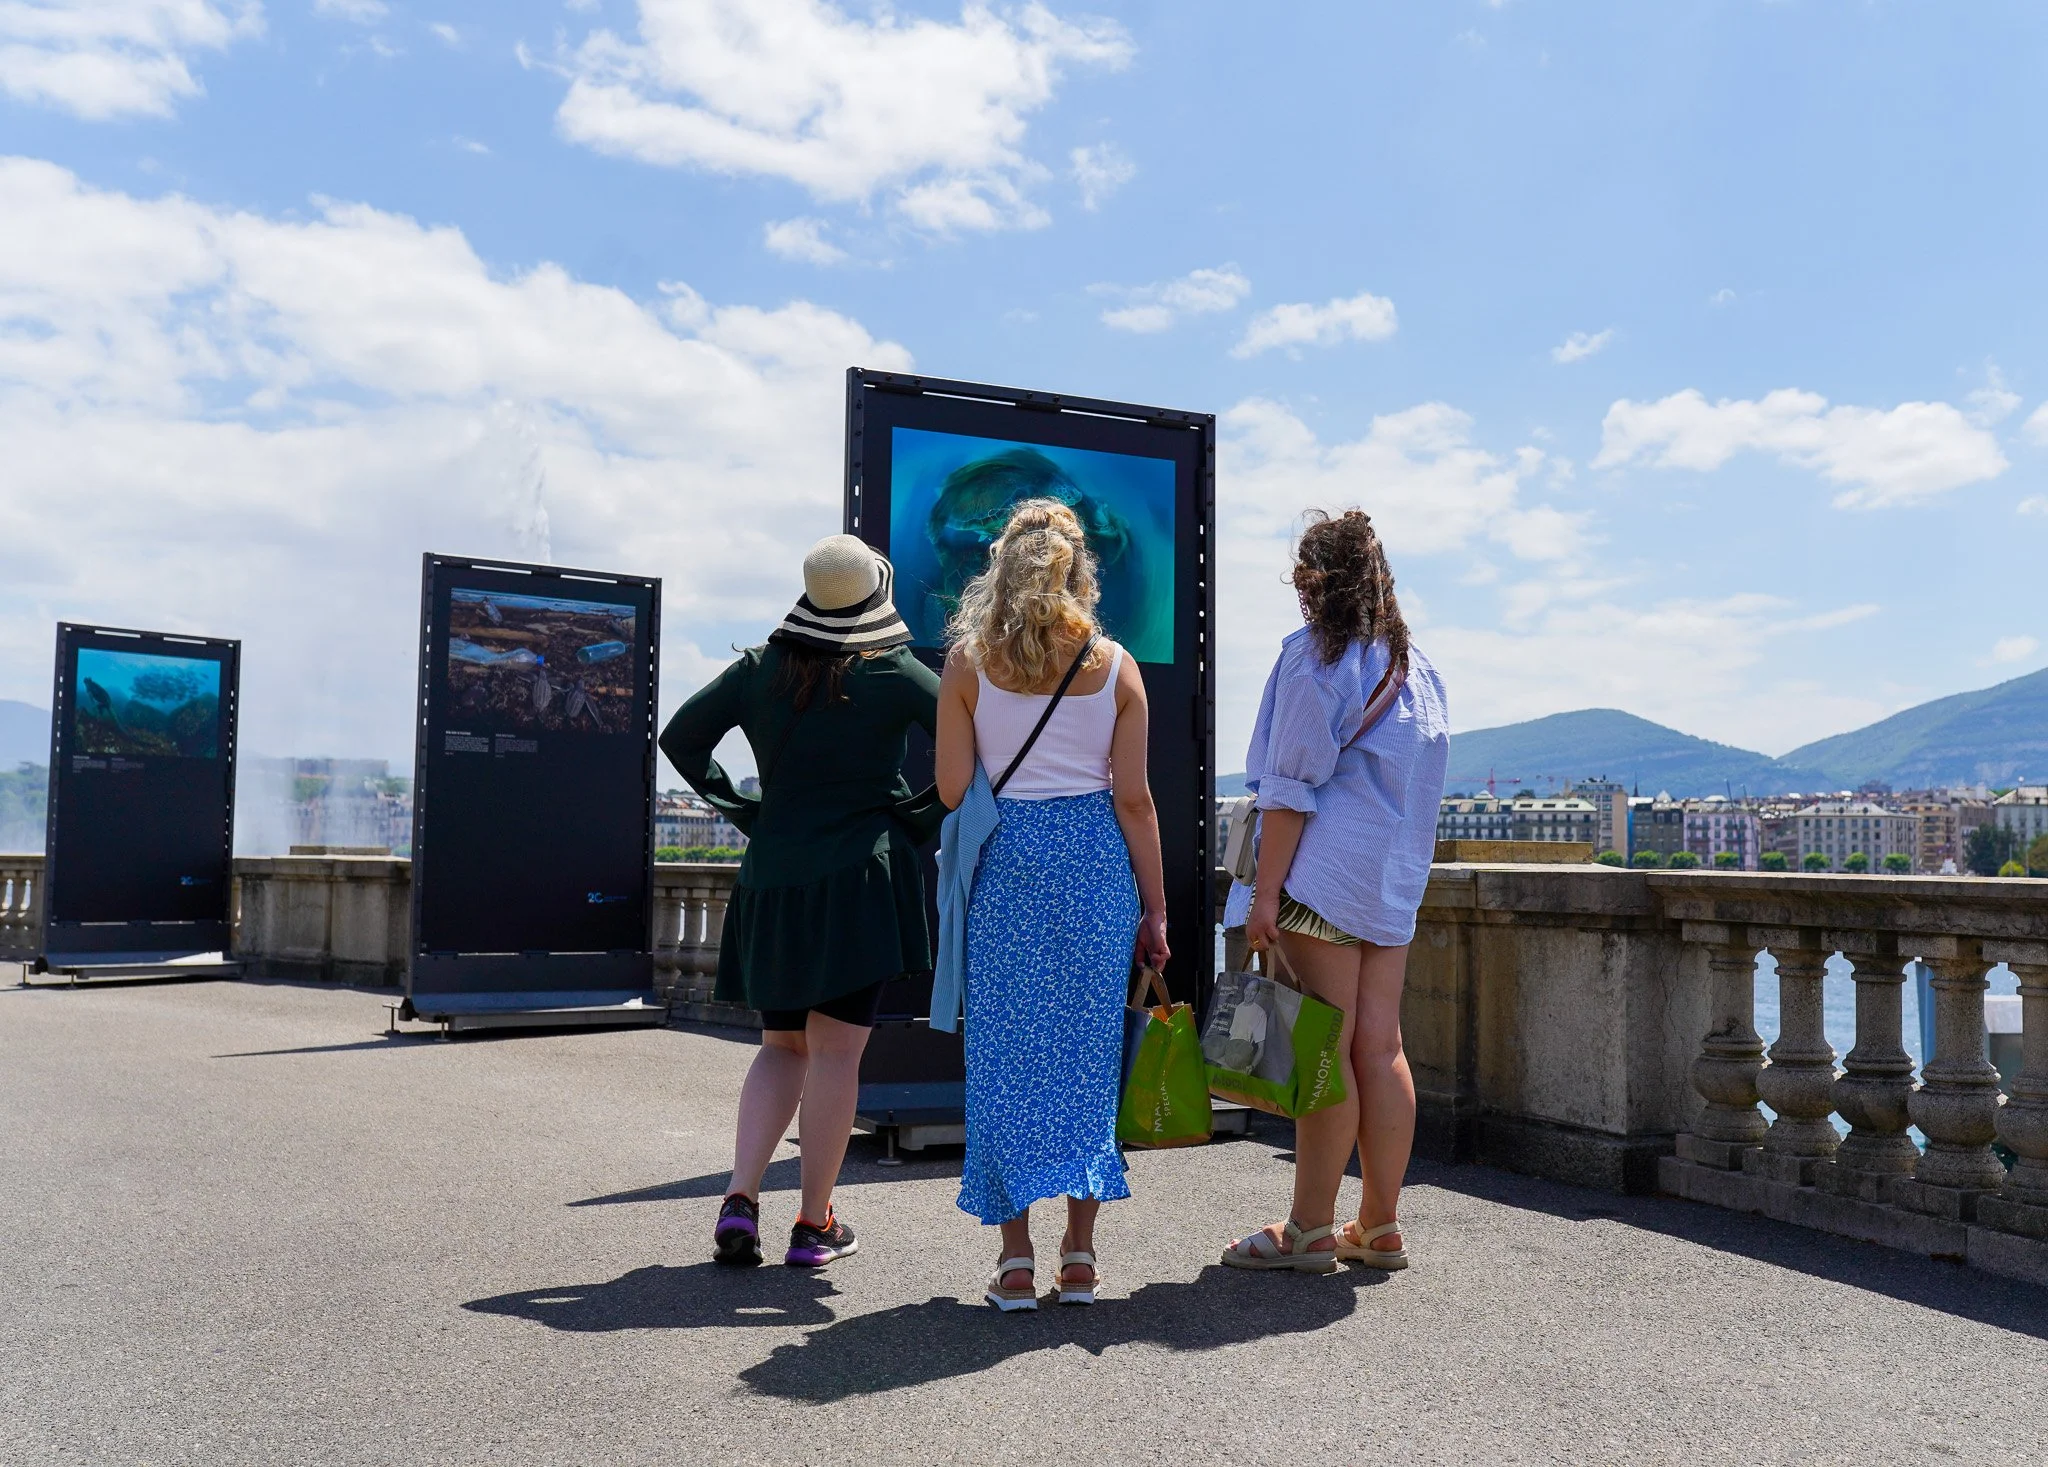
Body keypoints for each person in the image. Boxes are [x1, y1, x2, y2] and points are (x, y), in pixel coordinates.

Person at [660, 535, 941, 1270]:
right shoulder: (894, 671)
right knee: (838, 1053)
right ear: (875, 595)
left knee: (781, 1046)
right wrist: (913, 820)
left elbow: (681, 738)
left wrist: (749, 811)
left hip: (774, 879)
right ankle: (814, 1223)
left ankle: (740, 1198)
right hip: (858, 881)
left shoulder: (758, 668)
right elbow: (970, 753)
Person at [932, 498, 1170, 1312]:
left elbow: (953, 789)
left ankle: (1014, 1262)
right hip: (1096, 871)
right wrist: (1156, 910)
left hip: (1008, 872)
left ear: (1000, 567)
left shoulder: (967, 663)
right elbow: (1134, 800)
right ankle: (1080, 1256)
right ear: (1079, 571)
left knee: (1003, 1060)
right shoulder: (1116, 665)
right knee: (1087, 1063)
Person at [1219, 509, 1449, 1274]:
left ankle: (1310, 1228)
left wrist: (1264, 896)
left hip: (1320, 879)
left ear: (1314, 583)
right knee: (1380, 1047)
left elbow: (1289, 790)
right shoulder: (1421, 671)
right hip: (1390, 885)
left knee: (1324, 1047)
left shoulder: (1316, 658)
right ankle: (1378, 1224)